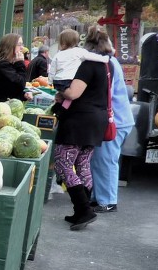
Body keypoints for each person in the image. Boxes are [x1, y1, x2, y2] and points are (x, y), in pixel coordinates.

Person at [52, 25, 114, 231]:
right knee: (83, 164)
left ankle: (84, 209)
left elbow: (73, 93)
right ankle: (81, 211)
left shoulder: (88, 65)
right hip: (98, 119)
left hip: (79, 120)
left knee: (63, 163)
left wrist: (61, 91)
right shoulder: (108, 65)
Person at [89, 39, 135, 213]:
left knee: (105, 161)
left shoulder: (107, 64)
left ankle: (107, 201)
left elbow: (104, 92)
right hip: (119, 119)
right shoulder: (112, 61)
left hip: (115, 121)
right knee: (100, 161)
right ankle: (99, 198)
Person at [50, 28, 108, 108]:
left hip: (58, 81)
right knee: (70, 96)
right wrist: (104, 59)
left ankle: (64, 107)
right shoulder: (80, 51)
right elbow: (92, 56)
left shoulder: (58, 54)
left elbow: (52, 69)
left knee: (64, 96)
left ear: (62, 43)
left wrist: (50, 81)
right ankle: (65, 107)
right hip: (71, 79)